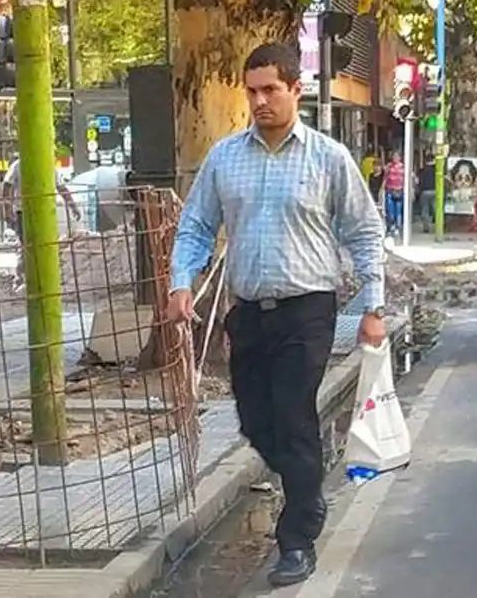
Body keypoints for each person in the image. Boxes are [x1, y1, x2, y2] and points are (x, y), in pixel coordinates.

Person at [165, 42, 386, 588]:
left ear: (295, 91)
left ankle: (297, 537)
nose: (260, 101)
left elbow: (363, 231)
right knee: (255, 423)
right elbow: (195, 225)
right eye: (253, 91)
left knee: (292, 418)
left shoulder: (328, 158)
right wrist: (180, 283)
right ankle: (308, 486)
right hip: (249, 313)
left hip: (307, 310)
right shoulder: (225, 158)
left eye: (271, 90)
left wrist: (374, 307)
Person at [1, 155, 80, 291]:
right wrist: (7, 209)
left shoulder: (46, 166)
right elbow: (7, 186)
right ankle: (22, 279)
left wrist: (73, 206)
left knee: (40, 245)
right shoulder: (20, 165)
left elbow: (61, 187)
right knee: (27, 246)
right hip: (26, 212)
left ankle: (40, 278)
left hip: (41, 213)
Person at [384, 151, 406, 236]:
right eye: (394, 156)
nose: (395, 158)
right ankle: (392, 226)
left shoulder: (403, 167)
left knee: (398, 211)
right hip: (390, 190)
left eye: (397, 156)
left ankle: (398, 227)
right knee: (390, 211)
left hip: (399, 190)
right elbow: (385, 177)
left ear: (400, 158)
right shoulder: (389, 166)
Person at [415, 158, 436, 232]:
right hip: (435, 191)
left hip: (424, 192)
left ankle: (426, 227)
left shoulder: (422, 170)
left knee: (424, 210)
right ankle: (440, 225)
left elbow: (417, 181)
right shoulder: (437, 169)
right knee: (436, 209)